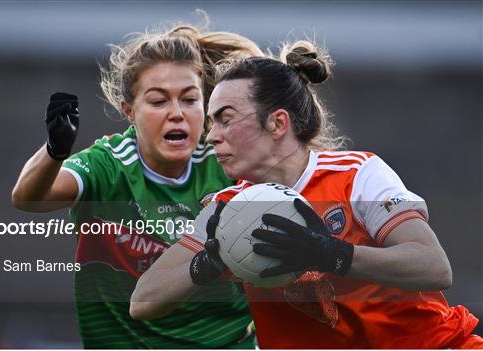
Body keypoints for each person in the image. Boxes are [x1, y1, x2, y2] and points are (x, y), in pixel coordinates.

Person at [130, 41, 483, 348]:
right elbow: (143, 300)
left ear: (278, 123)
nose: (211, 137)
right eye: (210, 123)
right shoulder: (226, 211)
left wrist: (331, 254)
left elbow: (434, 266)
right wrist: (206, 264)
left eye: (225, 118)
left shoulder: (357, 175)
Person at [11, 21, 264, 348]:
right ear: (129, 111)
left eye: (189, 100)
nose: (176, 113)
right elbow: (29, 199)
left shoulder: (227, 161)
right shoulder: (108, 164)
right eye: (159, 101)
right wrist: (54, 150)